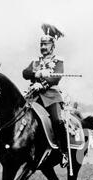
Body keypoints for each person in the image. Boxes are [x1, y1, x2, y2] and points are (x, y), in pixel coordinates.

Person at [22, 23, 67, 167]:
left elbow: (57, 77)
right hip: (33, 96)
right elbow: (25, 73)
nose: (43, 47)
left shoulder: (58, 61)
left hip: (51, 96)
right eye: (41, 44)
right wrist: (37, 73)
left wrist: (43, 84)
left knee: (57, 121)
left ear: (53, 46)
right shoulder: (36, 61)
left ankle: (64, 152)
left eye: (46, 44)